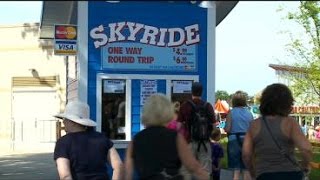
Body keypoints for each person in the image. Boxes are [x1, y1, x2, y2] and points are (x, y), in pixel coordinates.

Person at [124, 93, 210, 180]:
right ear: (167, 112)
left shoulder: (135, 140)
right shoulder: (175, 137)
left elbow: (127, 174)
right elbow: (194, 167)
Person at [242, 83, 313, 180]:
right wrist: (305, 167)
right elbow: (306, 149)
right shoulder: (290, 123)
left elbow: (246, 154)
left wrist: (253, 173)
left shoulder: (254, 125)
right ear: (287, 103)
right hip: (291, 173)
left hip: (264, 174)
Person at [53, 100, 123, 180]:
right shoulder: (102, 138)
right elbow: (119, 166)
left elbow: (65, 176)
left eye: (65, 119)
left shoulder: (63, 143)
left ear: (73, 122)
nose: (63, 121)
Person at [177, 82, 217, 179]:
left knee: (186, 170)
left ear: (192, 91)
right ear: (201, 92)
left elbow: (178, 125)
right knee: (205, 171)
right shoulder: (208, 106)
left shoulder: (185, 106)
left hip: (189, 142)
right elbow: (214, 126)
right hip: (205, 143)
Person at [224, 90, 253, 180]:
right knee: (246, 168)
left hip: (234, 140)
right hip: (247, 140)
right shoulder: (249, 113)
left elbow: (227, 129)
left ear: (233, 101)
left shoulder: (231, 113)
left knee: (235, 169)